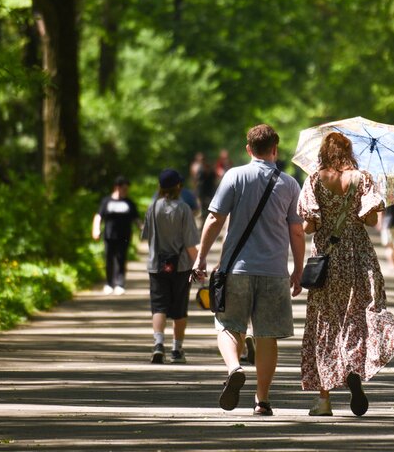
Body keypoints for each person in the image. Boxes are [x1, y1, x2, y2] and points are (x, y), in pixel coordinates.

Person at [193, 124, 304, 416]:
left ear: (248, 149)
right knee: (267, 336)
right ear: (275, 149)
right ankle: (262, 401)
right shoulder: (290, 184)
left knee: (228, 326)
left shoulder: (235, 176)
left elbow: (215, 219)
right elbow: (297, 232)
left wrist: (201, 257)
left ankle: (235, 367)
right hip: (274, 271)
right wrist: (298, 269)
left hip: (237, 269)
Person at [297, 132, 394, 417]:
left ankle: (323, 400)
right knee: (358, 316)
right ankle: (352, 371)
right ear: (349, 152)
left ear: (324, 152)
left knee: (325, 323)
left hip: (327, 261)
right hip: (358, 258)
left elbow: (309, 225)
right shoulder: (363, 179)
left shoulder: (314, 180)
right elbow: (371, 220)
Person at [141, 169, 201, 364]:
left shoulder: (152, 208)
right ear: (178, 187)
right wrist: (199, 263)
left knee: (159, 306)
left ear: (160, 187)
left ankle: (158, 344)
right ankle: (177, 349)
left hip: (157, 265)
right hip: (181, 265)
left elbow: (146, 236)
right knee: (179, 309)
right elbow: (191, 243)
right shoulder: (183, 209)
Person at [92, 176, 139, 296]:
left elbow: (136, 219)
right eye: (124, 189)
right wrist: (96, 229)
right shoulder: (106, 201)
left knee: (121, 259)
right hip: (109, 235)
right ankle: (109, 283)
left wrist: (143, 229)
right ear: (116, 187)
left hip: (124, 235)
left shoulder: (129, 203)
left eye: (127, 189)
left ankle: (119, 284)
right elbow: (99, 216)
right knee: (109, 259)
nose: (126, 191)